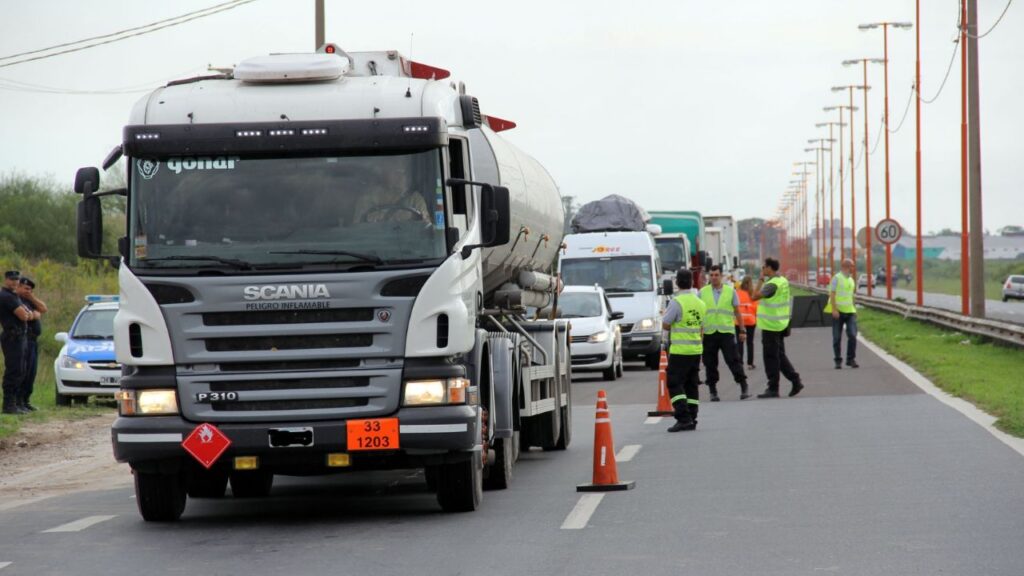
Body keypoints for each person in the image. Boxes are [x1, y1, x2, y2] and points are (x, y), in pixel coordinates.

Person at [661, 268, 706, 432]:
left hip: (680, 350)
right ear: (692, 282)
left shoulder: (676, 302)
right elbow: (701, 327)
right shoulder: (700, 303)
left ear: (677, 283)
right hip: (696, 349)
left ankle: (683, 417)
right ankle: (693, 417)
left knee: (674, 383)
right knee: (691, 385)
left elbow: (666, 323)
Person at [752, 258, 804, 399]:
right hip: (781, 323)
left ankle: (773, 387)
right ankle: (795, 380)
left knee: (771, 357)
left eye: (763, 267)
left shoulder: (772, 284)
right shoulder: (782, 281)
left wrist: (760, 280)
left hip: (771, 325)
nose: (762, 269)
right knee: (779, 355)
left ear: (769, 268)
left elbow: (754, 296)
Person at [698, 265, 749, 401]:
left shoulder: (730, 291)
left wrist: (742, 330)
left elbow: (737, 312)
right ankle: (713, 391)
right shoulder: (702, 292)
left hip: (726, 332)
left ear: (722, 276)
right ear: (709, 276)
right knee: (710, 363)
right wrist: (698, 333)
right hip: (709, 333)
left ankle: (743, 385)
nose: (714, 277)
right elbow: (698, 315)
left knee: (733, 360)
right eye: (712, 275)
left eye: (716, 275)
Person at [1, 270, 35, 414]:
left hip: (20, 336)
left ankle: (16, 403)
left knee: (21, 370)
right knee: (14, 371)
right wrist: (26, 314)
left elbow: (29, 313)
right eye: (11, 279)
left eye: (16, 279)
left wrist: (27, 313)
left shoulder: (14, 296)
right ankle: (8, 404)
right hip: (12, 336)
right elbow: (24, 315)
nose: (14, 282)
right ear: (6, 279)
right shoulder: (6, 296)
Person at [16, 277, 47, 411]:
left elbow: (43, 308)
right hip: (23, 339)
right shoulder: (14, 300)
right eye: (26, 288)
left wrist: (32, 298)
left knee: (31, 372)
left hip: (33, 340)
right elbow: (27, 316)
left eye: (30, 289)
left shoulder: (29, 300)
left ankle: (25, 400)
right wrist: (35, 315)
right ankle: (17, 401)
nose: (28, 291)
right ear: (18, 287)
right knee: (23, 371)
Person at [825, 258, 858, 369]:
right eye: (852, 266)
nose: (853, 268)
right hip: (838, 312)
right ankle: (838, 360)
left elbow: (851, 295)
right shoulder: (836, 278)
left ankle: (851, 359)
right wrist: (834, 309)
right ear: (846, 267)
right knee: (837, 337)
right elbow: (832, 294)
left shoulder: (851, 280)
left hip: (850, 312)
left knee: (853, 335)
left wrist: (854, 308)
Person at [735, 276, 758, 370]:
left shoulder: (737, 293)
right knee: (750, 343)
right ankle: (750, 363)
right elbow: (756, 308)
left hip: (739, 321)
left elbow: (734, 306)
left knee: (740, 342)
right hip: (751, 321)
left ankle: (740, 362)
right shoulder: (752, 294)